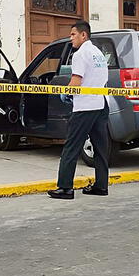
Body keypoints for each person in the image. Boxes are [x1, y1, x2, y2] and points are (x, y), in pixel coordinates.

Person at [48, 21, 109, 200]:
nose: (71, 38)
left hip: (85, 106)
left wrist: (66, 93)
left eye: (73, 34)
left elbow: (76, 80)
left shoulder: (80, 54)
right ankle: (101, 186)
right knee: (100, 148)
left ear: (84, 35)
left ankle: (65, 188)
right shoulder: (98, 53)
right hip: (101, 104)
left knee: (71, 147)